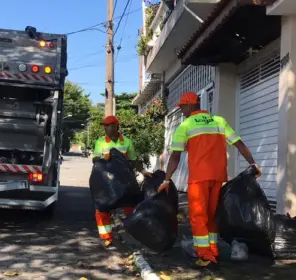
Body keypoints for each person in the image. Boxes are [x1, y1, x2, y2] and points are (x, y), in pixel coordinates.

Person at [158, 92, 261, 267]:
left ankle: (205, 255)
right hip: (218, 176)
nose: (182, 111)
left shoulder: (186, 125)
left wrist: (167, 180)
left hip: (199, 177)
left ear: (189, 105)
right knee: (212, 215)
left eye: (182, 107)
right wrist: (253, 163)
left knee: (198, 216)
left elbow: (175, 156)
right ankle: (213, 250)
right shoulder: (219, 121)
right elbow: (238, 143)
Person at [92, 115, 152, 249]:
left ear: (115, 126)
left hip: (124, 182)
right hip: (107, 182)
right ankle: (106, 238)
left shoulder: (126, 142)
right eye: (105, 126)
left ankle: (133, 236)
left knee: (131, 208)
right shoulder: (101, 142)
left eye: (108, 125)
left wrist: (143, 172)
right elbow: (95, 160)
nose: (106, 128)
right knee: (102, 209)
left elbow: (134, 160)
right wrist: (103, 158)